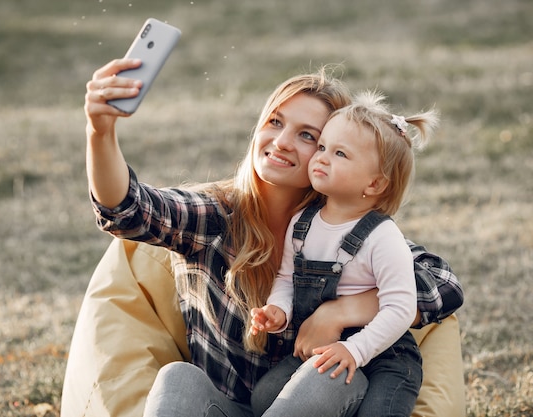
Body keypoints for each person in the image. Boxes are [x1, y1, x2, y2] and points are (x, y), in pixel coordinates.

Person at [62, 57, 465, 417]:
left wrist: (338, 312)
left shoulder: (344, 227)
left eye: (309, 136)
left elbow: (442, 283)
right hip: (230, 405)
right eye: (275, 121)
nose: (283, 141)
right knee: (177, 378)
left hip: (323, 399)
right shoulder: (216, 216)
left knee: (325, 375)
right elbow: (129, 211)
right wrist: (100, 131)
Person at [249, 91, 438, 417]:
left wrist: (355, 349)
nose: (320, 157)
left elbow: (401, 308)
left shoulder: (382, 236)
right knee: (263, 398)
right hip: (320, 347)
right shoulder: (302, 223)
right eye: (322, 147)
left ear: (375, 184)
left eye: (339, 154)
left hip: (386, 357)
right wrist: (278, 310)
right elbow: (286, 278)